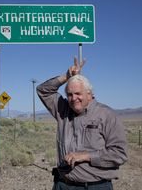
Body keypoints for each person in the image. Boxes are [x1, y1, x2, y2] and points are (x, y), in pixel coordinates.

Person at [36, 58, 128, 190]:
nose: (74, 99)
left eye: (78, 93)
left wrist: (86, 156)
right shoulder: (63, 110)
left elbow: (119, 154)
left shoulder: (107, 115)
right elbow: (43, 90)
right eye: (69, 94)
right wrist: (66, 76)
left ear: (89, 93)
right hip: (62, 184)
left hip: (95, 186)